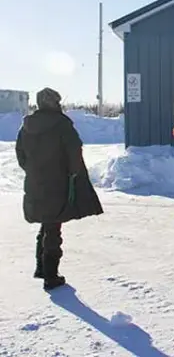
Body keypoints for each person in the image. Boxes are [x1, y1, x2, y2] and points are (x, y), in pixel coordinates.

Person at [15, 87, 104, 291]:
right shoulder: (62, 124)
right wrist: (73, 174)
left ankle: (41, 268)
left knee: (46, 223)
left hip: (36, 181)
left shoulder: (26, 126)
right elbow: (74, 152)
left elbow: (20, 154)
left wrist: (32, 170)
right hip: (57, 181)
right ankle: (51, 276)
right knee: (53, 226)